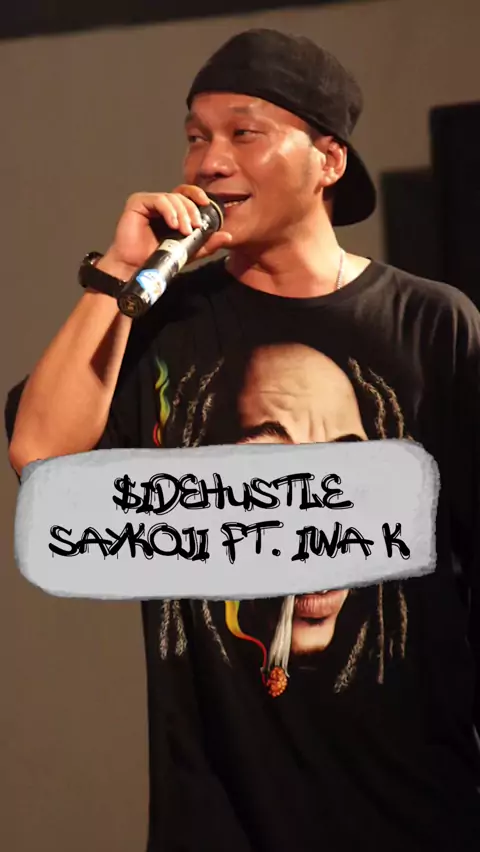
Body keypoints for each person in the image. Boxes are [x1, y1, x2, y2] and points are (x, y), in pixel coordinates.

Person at [5, 26, 480, 852]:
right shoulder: (160, 327)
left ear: (328, 159)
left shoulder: (429, 324)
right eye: (196, 137)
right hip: (218, 820)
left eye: (243, 132)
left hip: (416, 810)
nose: (209, 162)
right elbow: (41, 460)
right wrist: (118, 272)